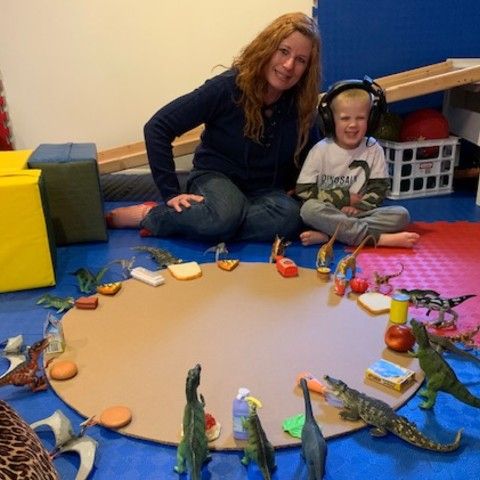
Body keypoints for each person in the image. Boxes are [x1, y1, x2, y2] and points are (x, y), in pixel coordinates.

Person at [106, 12, 321, 243]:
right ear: (267, 49)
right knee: (225, 213)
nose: (289, 65)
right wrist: (170, 193)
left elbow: (312, 154)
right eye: (284, 51)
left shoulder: (303, 104)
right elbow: (157, 127)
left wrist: (297, 187)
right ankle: (150, 215)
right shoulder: (226, 87)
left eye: (301, 60)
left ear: (307, 68)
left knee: (290, 218)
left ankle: (204, 220)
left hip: (264, 191)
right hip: (216, 178)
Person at [296, 77, 420, 248]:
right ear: (329, 120)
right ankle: (377, 239)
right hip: (327, 212)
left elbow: (379, 188)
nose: (353, 125)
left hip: (359, 213)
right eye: (345, 118)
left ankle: (331, 235)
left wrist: (360, 207)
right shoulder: (320, 150)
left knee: (401, 215)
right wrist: (344, 199)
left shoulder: (373, 148)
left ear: (371, 119)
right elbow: (303, 191)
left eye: (360, 118)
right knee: (308, 210)